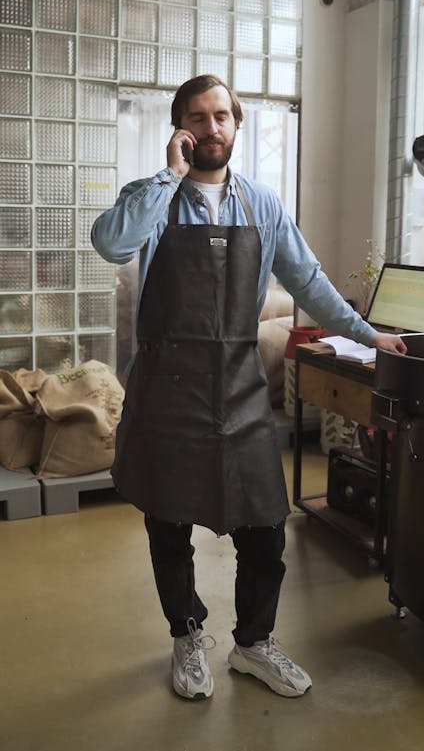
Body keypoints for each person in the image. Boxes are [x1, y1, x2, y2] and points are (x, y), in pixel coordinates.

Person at [91, 74, 406, 702]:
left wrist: (369, 336)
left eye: (222, 117)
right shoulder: (153, 197)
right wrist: (167, 177)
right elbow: (110, 243)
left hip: (238, 388)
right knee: (168, 521)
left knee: (265, 523)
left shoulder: (262, 204)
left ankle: (254, 644)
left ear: (237, 125)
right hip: (167, 387)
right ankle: (186, 636)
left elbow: (310, 280)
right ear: (180, 130)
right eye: (198, 119)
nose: (212, 129)